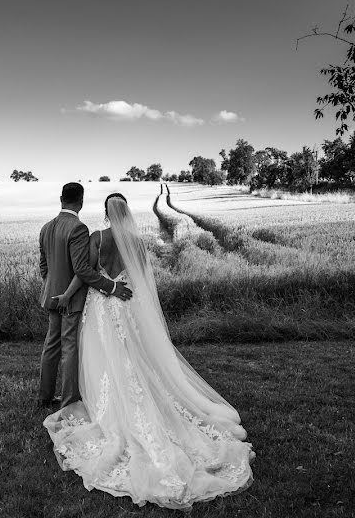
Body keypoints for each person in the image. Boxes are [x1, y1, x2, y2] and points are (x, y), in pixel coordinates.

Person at [42, 193, 254, 510]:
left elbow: (86, 274)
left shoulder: (98, 237)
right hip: (128, 307)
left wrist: (83, 291)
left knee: (106, 358)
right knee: (136, 356)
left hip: (103, 306)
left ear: (105, 213)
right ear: (126, 214)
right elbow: (141, 282)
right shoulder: (138, 243)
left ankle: (107, 405)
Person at [37, 183, 133, 410]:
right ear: (81, 201)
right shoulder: (78, 228)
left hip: (51, 296)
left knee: (51, 345)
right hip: (70, 298)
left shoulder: (46, 228)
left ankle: (44, 396)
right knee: (69, 347)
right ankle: (69, 401)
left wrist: (53, 289)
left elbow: (44, 266)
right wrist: (111, 287)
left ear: (61, 199)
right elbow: (82, 269)